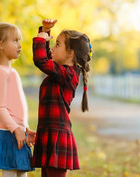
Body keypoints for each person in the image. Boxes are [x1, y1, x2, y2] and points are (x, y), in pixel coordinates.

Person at [31, 19, 92, 177]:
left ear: (71, 53)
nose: (52, 47)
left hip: (57, 137)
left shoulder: (69, 74)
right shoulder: (60, 72)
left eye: (57, 44)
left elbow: (42, 61)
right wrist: (45, 31)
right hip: (49, 133)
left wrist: (41, 37)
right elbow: (46, 60)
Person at [0, 22, 36, 177]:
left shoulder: (10, 71)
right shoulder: (1, 73)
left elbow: (15, 106)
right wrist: (16, 129)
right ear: (0, 44)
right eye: (15, 41)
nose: (19, 45)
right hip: (8, 134)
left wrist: (25, 127)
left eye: (19, 41)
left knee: (22, 174)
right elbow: (1, 108)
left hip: (17, 131)